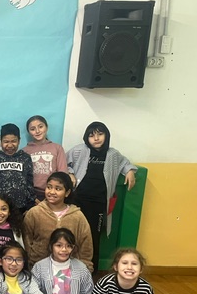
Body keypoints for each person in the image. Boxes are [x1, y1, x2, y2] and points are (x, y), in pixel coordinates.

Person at [67, 121, 137, 271]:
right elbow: (64, 163)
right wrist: (70, 173)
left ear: (106, 136)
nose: (96, 138)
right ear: (86, 138)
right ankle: (69, 268)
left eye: (100, 134)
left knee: (94, 236)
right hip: (78, 200)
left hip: (99, 203)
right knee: (73, 233)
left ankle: (90, 270)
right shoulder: (79, 150)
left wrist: (130, 171)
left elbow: (125, 163)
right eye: (91, 135)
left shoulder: (112, 154)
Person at [23, 172, 93, 271]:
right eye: (49, 187)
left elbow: (86, 245)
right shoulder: (34, 213)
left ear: (67, 193)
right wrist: (29, 263)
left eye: (58, 189)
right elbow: (26, 240)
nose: (52, 192)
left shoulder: (77, 216)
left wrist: (86, 268)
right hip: (39, 268)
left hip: (69, 270)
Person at [0, 123, 35, 212]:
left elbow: (29, 182)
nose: (10, 145)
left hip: (20, 206)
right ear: (1, 141)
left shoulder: (25, 158)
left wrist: (31, 203)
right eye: (6, 142)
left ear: (19, 141)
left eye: (14, 141)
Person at [23, 115, 71, 201]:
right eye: (33, 129)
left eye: (40, 127)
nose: (37, 131)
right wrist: (32, 197)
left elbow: (63, 174)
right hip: (31, 195)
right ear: (29, 132)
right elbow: (23, 178)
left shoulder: (57, 148)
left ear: (46, 127)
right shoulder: (24, 151)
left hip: (53, 193)